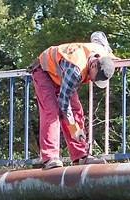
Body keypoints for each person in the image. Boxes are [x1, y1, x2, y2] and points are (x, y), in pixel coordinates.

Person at [29, 31, 116, 169]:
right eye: (96, 77)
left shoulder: (102, 53)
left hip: (61, 72)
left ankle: (81, 156)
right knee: (52, 112)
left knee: (76, 110)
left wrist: (115, 63)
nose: (94, 81)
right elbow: (63, 103)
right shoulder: (76, 70)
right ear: (93, 66)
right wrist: (75, 130)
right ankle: (50, 158)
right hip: (44, 71)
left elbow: (98, 36)